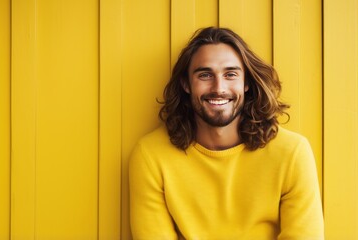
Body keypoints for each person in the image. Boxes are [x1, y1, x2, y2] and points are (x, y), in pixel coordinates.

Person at [129, 27, 324, 239]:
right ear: (186, 84)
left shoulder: (292, 153)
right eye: (205, 75)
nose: (218, 87)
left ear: (246, 83)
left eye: (230, 74)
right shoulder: (151, 155)